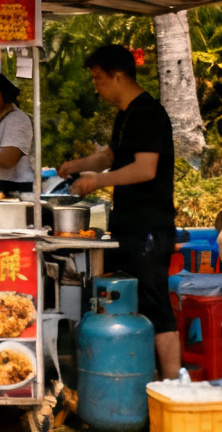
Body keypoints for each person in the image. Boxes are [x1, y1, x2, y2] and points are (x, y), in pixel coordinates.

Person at [59, 44, 180, 379]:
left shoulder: (149, 114)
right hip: (127, 224)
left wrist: (97, 181)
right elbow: (111, 156)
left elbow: (145, 168)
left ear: (117, 75)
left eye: (98, 78)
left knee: (156, 305)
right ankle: (137, 375)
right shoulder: (126, 114)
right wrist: (77, 166)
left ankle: (173, 384)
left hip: (150, 228)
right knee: (124, 299)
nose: (95, 86)